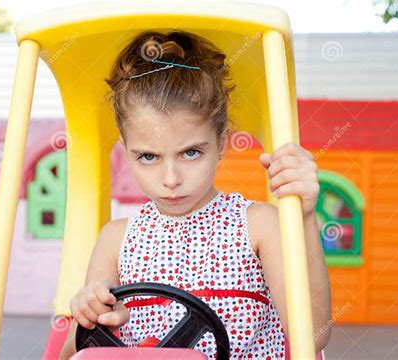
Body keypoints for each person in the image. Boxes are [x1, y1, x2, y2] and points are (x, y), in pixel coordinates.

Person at [60, 30, 332, 359]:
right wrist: (91, 319)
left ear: (221, 142)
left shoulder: (259, 226)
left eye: (190, 153)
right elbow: (71, 355)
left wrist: (303, 215)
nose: (171, 179)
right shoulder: (116, 240)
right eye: (148, 157)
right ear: (126, 148)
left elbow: (314, 336)